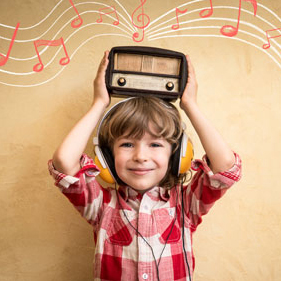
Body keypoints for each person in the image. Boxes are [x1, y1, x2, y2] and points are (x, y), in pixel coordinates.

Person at [48, 50, 242, 281]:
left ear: (178, 155)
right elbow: (64, 162)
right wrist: (100, 103)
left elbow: (225, 167)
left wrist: (190, 105)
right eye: (128, 144)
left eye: (156, 145)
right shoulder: (101, 206)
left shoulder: (186, 205)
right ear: (107, 157)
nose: (141, 156)